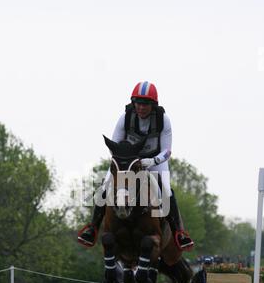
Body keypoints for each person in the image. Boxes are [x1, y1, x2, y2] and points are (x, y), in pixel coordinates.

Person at [78, 81, 194, 251]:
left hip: (155, 161)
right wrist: (128, 163)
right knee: (104, 186)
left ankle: (179, 232)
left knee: (166, 190)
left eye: (145, 104)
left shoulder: (163, 120)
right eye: (138, 103)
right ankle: (92, 228)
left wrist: (151, 162)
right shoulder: (125, 118)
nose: (141, 107)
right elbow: (115, 146)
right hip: (129, 161)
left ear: (153, 105)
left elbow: (167, 151)